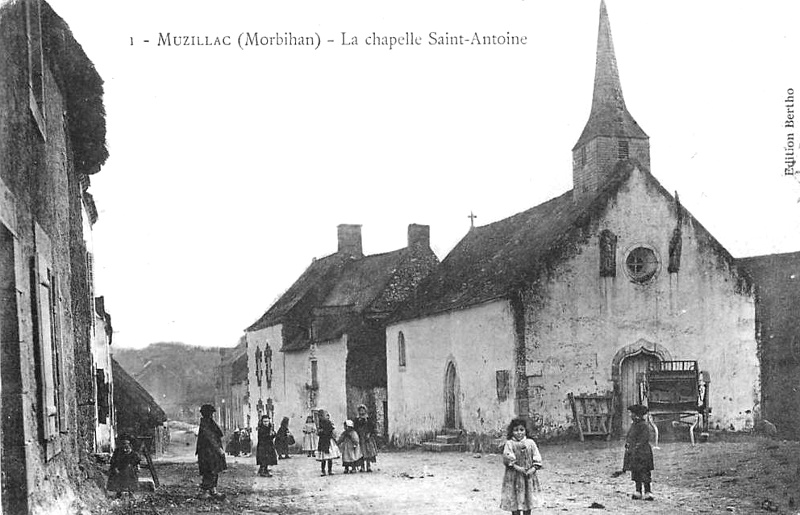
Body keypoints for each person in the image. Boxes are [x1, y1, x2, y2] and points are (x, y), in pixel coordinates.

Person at [500, 418, 543, 515]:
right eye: (516, 430)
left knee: (528, 501)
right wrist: (519, 468)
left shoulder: (530, 443)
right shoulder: (509, 443)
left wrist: (532, 469)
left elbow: (537, 456)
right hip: (514, 477)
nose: (519, 433)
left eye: (521, 430)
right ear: (511, 432)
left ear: (525, 431)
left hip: (528, 477)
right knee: (515, 500)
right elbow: (507, 458)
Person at [622, 404, 654, 501]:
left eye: (632, 413)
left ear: (637, 415)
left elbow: (644, 438)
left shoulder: (643, 426)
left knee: (645, 472)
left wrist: (637, 446)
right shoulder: (634, 425)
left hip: (643, 453)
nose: (630, 415)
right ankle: (638, 491)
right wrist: (628, 444)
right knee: (635, 472)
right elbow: (630, 436)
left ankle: (648, 492)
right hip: (634, 453)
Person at [196, 404, 227, 500]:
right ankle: (204, 492)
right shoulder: (205, 423)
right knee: (209, 471)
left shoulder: (209, 422)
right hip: (208, 452)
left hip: (211, 452)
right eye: (211, 413)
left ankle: (213, 490)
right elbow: (210, 438)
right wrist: (219, 449)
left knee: (214, 470)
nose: (212, 415)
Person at [316, 408, 341, 476]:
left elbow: (330, 431)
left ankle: (329, 470)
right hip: (323, 441)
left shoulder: (328, 422)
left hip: (328, 441)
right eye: (319, 416)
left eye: (322, 415)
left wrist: (324, 432)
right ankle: (323, 470)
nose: (321, 417)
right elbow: (319, 432)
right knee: (323, 458)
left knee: (329, 457)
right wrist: (319, 432)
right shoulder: (320, 423)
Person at [354, 404, 378, 472]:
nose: (362, 411)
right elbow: (355, 428)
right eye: (360, 410)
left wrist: (369, 433)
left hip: (367, 438)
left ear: (365, 410)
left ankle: (368, 466)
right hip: (360, 437)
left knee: (368, 451)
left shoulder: (368, 419)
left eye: (363, 410)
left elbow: (372, 427)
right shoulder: (357, 419)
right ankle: (362, 466)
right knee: (361, 452)